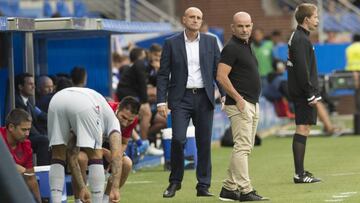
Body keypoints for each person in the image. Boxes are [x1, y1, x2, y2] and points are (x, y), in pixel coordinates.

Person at [157, 7, 224, 198]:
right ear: (184, 20)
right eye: (192, 17)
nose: (196, 20)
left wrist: (224, 94)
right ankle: (175, 182)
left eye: (199, 18)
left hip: (205, 97)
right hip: (180, 98)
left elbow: (217, 71)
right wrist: (161, 101)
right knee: (178, 139)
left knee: (204, 143)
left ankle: (203, 185)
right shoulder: (171, 43)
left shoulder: (211, 41)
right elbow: (163, 74)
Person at [216, 12, 269, 201]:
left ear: (252, 26)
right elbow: (221, 76)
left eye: (247, 26)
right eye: (240, 26)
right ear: (233, 28)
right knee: (243, 147)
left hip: (251, 103)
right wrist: (239, 99)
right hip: (240, 104)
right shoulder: (231, 48)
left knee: (246, 147)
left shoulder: (247, 45)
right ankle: (246, 190)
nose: (244, 29)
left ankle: (229, 188)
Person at [47, 87, 122, 203]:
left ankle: (56, 200)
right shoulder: (113, 121)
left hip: (56, 100)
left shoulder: (103, 110)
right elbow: (117, 156)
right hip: (83, 103)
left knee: (57, 157)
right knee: (95, 156)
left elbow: (72, 156)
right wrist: (115, 187)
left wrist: (83, 187)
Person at [71, 96, 140, 203]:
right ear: (118, 108)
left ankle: (107, 198)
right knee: (81, 159)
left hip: (109, 145)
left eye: (130, 120)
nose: (125, 123)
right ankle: (79, 200)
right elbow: (84, 139)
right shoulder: (102, 111)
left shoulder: (133, 120)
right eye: (123, 117)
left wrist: (115, 157)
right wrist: (104, 152)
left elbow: (124, 142)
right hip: (87, 142)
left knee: (127, 163)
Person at [286, 3, 322, 184]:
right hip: (302, 93)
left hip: (303, 91)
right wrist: (310, 93)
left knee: (304, 128)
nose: (318, 20)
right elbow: (301, 69)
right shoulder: (300, 39)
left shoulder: (301, 37)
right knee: (302, 128)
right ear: (306, 19)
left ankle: (300, 172)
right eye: (315, 17)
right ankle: (299, 174)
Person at [0, 109, 42, 203]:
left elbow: (31, 178)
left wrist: (39, 201)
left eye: (28, 129)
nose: (27, 134)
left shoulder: (26, 145)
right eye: (24, 130)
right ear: (11, 127)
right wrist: (11, 167)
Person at [15, 73, 50, 166]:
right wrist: (42, 135)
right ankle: (43, 172)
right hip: (22, 136)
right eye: (30, 84)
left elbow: (42, 117)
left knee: (49, 138)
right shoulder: (16, 102)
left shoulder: (29, 104)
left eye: (33, 84)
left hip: (31, 135)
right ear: (20, 86)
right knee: (44, 140)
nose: (34, 86)